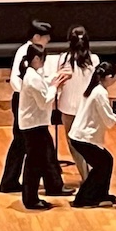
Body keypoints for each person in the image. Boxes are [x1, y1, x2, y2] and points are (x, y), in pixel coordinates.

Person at [0, 20, 73, 195]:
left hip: (31, 99)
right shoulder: (26, 53)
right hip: (26, 101)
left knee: (29, 145)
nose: (48, 40)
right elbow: (18, 81)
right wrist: (36, 91)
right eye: (46, 37)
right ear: (37, 36)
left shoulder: (34, 54)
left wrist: (51, 81)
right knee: (32, 146)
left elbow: (39, 81)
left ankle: (15, 181)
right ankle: (50, 184)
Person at [69, 62, 116, 208]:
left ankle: (100, 195)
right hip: (83, 137)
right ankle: (84, 199)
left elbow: (106, 114)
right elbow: (108, 119)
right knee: (102, 164)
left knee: (105, 162)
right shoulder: (100, 92)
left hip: (80, 135)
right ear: (109, 77)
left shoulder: (95, 87)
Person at [18, 43, 72, 209]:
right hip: (33, 126)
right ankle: (31, 199)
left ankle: (52, 187)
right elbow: (43, 102)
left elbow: (43, 83)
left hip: (36, 124)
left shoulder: (33, 74)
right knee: (34, 164)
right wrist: (55, 86)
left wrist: (56, 78)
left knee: (44, 157)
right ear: (36, 58)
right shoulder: (32, 78)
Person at [55, 25, 100, 182]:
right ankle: (91, 177)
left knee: (73, 144)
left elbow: (59, 83)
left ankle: (85, 177)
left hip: (67, 107)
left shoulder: (63, 59)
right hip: (86, 109)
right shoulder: (95, 60)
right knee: (88, 143)